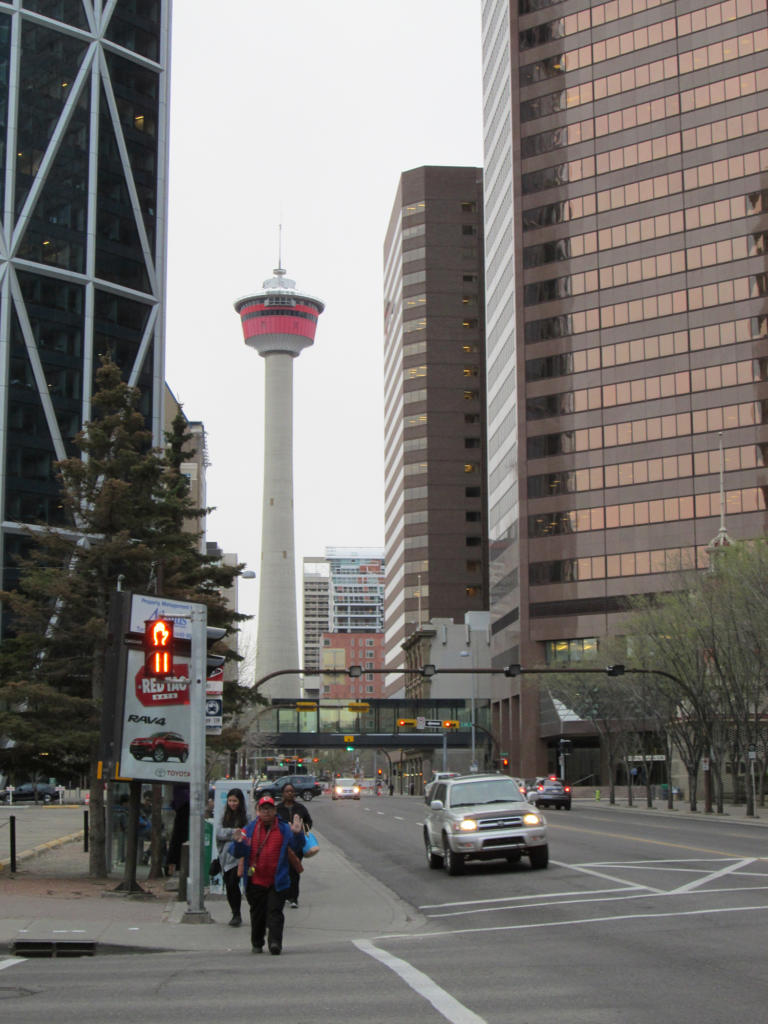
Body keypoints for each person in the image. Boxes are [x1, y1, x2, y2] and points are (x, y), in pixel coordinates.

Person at [231, 794, 304, 955]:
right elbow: (237, 852)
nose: (266, 813)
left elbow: (298, 847)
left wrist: (298, 834)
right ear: (258, 811)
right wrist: (237, 843)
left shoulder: (284, 828)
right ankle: (257, 943)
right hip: (255, 880)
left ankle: (275, 943)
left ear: (274, 811)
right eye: (263, 809)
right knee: (257, 914)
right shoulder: (249, 829)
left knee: (275, 912)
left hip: (277, 880)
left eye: (269, 809)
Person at [276, 783, 312, 908]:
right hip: (282, 845)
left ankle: (293, 898)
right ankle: (285, 894)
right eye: (287, 791)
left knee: (294, 871)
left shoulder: (300, 808)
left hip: (296, 844)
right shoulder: (278, 809)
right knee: (283, 870)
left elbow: (309, 823)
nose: (289, 793)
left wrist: (302, 830)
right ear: (283, 793)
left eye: (291, 791)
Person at [216, 787, 248, 927]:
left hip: (240, 857)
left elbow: (246, 833)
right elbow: (218, 833)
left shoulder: (246, 816)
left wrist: (235, 835)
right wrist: (234, 832)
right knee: (229, 885)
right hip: (225, 857)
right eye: (230, 800)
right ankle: (235, 912)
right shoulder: (224, 815)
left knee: (236, 883)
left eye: (235, 801)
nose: (232, 803)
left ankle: (238, 914)